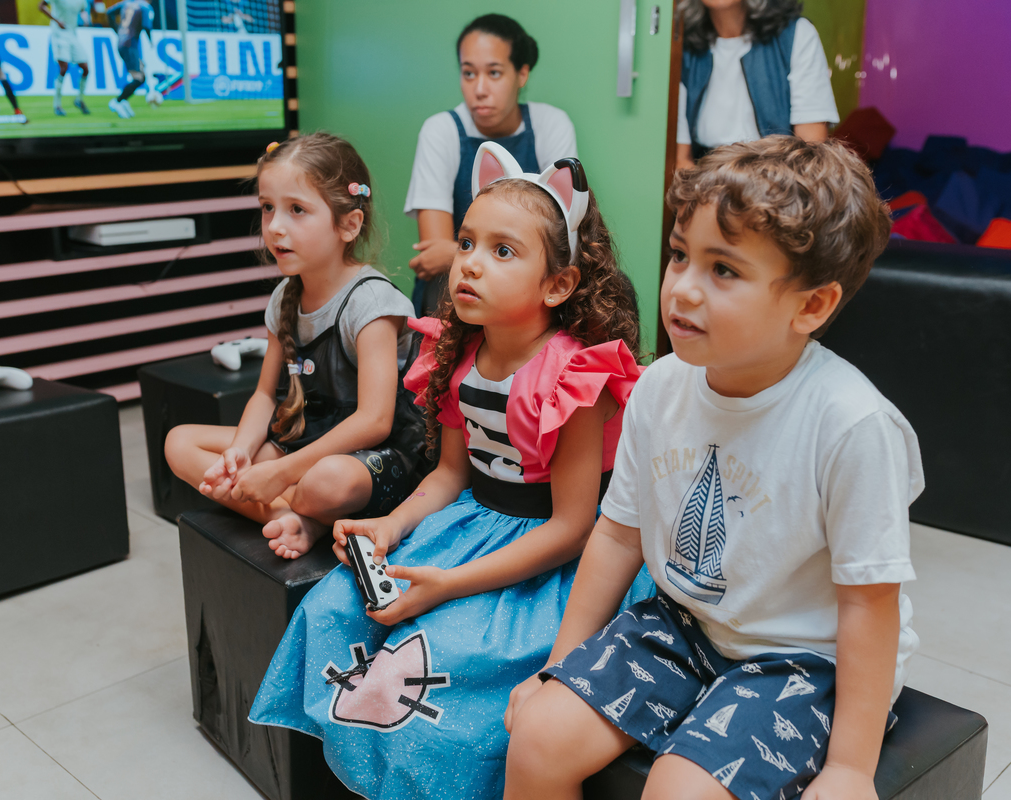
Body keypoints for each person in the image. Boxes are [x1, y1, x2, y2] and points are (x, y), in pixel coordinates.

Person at [504, 137, 920, 800]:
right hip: (684, 623)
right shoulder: (660, 386)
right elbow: (616, 534)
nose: (682, 289)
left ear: (810, 306)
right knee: (538, 736)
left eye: (723, 270)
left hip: (802, 660)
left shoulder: (852, 425)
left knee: (678, 792)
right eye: (679, 255)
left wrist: (849, 769)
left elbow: (870, 601)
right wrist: (561, 667)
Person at [249, 142, 655, 799]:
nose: (468, 264)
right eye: (466, 242)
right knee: (332, 607)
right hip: (469, 526)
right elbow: (446, 478)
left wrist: (450, 584)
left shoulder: (576, 377)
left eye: (503, 252)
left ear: (558, 284)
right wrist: (389, 523)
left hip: (546, 565)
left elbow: (577, 527)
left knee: (444, 661)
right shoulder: (456, 356)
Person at [165, 133, 423, 560]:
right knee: (180, 442)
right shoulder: (284, 296)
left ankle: (303, 510)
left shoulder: (372, 302)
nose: (275, 226)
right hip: (302, 442)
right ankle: (306, 518)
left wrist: (279, 472)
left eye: (297, 210)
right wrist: (241, 453)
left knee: (327, 481)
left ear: (348, 224)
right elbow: (266, 394)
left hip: (372, 458)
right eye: (268, 208)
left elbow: (375, 421)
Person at [404, 13, 577, 316]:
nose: (480, 89)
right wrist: (505, 255)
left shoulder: (551, 124)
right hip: (459, 288)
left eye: (494, 73)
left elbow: (563, 241)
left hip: (526, 290)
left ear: (522, 74)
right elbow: (435, 253)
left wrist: (454, 250)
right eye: (469, 74)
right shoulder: (441, 130)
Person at [676, 0, 838, 169]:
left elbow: (810, 152)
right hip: (704, 180)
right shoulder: (679, 45)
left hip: (779, 180)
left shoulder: (797, 34)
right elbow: (680, 161)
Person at [39, 0, 92, 116]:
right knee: (64, 68)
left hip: (72, 34)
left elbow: (83, 10)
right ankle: (57, 105)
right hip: (59, 35)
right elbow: (41, 6)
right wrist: (56, 21)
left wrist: (86, 19)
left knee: (86, 68)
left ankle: (79, 99)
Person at [104, 0, 153, 118]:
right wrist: (152, 41)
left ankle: (123, 100)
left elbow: (109, 12)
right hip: (130, 45)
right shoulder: (145, 7)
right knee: (139, 78)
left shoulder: (126, 3)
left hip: (122, 42)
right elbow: (147, 26)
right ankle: (118, 101)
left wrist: (117, 30)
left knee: (142, 75)